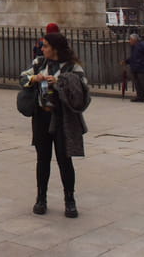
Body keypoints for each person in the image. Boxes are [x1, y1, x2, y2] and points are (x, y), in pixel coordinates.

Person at [20, 32, 89, 218]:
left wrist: (60, 81)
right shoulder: (39, 63)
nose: (42, 49)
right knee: (42, 159)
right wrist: (34, 79)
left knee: (64, 159)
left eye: (45, 46)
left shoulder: (72, 67)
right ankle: (41, 198)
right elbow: (22, 78)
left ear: (55, 49)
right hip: (41, 117)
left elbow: (83, 89)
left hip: (62, 118)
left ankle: (70, 199)